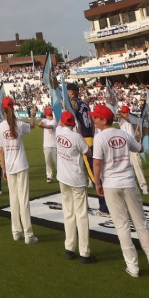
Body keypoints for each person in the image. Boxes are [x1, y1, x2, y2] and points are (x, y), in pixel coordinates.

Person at [92, 104, 149, 278]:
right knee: (141, 224)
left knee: (122, 225)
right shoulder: (123, 134)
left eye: (96, 117)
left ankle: (133, 267)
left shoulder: (100, 137)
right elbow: (139, 148)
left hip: (111, 184)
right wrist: (139, 137)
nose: (94, 120)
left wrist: (97, 183)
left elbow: (96, 162)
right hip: (129, 182)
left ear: (103, 120)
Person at [0, 96, 37, 244]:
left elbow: (1, 150)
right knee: (23, 200)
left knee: (13, 200)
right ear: (13, 108)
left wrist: (3, 169)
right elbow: (32, 126)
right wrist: (32, 115)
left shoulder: (0, 127)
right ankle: (28, 234)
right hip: (21, 165)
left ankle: (16, 231)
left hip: (11, 167)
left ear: (3, 109)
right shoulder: (19, 124)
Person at [56, 111, 96, 264]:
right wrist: (78, 131)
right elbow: (89, 152)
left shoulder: (59, 131)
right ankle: (84, 252)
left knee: (68, 213)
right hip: (76, 179)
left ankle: (69, 247)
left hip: (63, 178)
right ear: (73, 123)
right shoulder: (76, 137)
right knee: (81, 215)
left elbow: (60, 124)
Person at [68, 82, 110, 216]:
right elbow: (91, 122)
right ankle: (85, 204)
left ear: (71, 92)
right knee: (84, 173)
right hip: (89, 137)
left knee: (93, 176)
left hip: (83, 139)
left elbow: (76, 123)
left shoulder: (73, 104)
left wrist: (79, 138)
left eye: (67, 91)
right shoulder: (85, 104)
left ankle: (105, 207)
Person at [117, 105, 148, 195]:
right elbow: (121, 119)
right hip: (124, 148)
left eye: (123, 112)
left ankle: (144, 187)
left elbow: (130, 120)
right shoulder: (121, 121)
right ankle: (131, 186)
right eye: (121, 112)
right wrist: (121, 116)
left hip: (133, 147)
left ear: (127, 113)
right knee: (126, 169)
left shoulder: (132, 120)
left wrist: (125, 116)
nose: (121, 114)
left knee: (138, 167)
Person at [38, 107, 58, 183]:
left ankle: (59, 175)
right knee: (48, 162)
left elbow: (50, 127)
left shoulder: (55, 121)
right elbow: (40, 123)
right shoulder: (44, 120)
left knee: (57, 162)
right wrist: (41, 124)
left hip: (54, 145)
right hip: (46, 145)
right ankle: (49, 176)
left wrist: (43, 126)